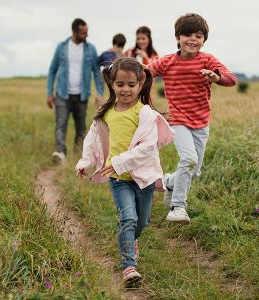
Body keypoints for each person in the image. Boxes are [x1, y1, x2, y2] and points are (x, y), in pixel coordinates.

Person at [75, 57, 174, 287]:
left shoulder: (145, 114)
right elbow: (93, 139)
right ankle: (129, 266)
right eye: (120, 84)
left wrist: (120, 161)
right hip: (119, 179)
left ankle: (132, 240)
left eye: (131, 85)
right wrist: (85, 161)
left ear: (141, 84)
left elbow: (148, 147)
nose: (125, 89)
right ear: (112, 83)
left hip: (143, 178)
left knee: (142, 221)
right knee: (127, 218)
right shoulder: (106, 112)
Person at [147, 13, 238, 223]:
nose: (192, 39)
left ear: (203, 40)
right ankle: (178, 207)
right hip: (177, 119)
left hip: (201, 122)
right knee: (188, 160)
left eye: (198, 35)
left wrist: (216, 77)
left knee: (194, 171)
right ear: (178, 37)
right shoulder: (168, 62)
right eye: (187, 34)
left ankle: (168, 182)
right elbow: (144, 71)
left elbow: (232, 78)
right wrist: (119, 70)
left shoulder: (207, 60)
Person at [46, 18, 104, 163]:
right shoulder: (62, 47)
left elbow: (96, 72)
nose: (86, 36)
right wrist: (49, 93)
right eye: (83, 33)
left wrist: (99, 94)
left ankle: (79, 155)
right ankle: (60, 154)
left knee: (81, 127)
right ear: (74, 32)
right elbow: (52, 70)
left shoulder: (91, 49)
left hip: (81, 95)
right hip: (62, 94)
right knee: (61, 124)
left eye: (87, 33)